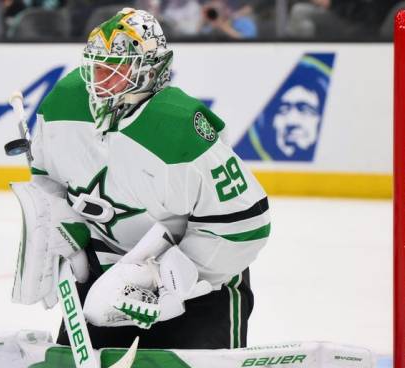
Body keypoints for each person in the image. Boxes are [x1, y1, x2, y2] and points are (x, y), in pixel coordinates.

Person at [14, 7, 270, 350]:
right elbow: (48, 177)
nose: (102, 79)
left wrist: (171, 279)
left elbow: (245, 224)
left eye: (117, 69)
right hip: (106, 270)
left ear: (153, 70)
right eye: (97, 65)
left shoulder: (179, 130)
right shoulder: (63, 102)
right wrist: (65, 227)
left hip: (196, 284)